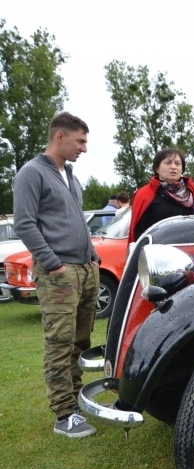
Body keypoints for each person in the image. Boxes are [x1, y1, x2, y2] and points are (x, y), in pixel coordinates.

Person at [12, 111, 100, 439]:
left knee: (81, 340)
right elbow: (24, 223)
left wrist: (92, 256)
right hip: (58, 272)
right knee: (59, 342)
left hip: (84, 269)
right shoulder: (31, 173)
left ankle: (75, 399)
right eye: (80, 141)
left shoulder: (71, 176)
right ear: (59, 137)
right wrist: (53, 263)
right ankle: (64, 414)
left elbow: (77, 220)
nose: (85, 148)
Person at [128, 148, 194, 244]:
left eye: (177, 163)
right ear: (157, 168)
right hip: (159, 254)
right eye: (168, 163)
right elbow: (139, 234)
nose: (173, 167)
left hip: (193, 251)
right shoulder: (144, 194)